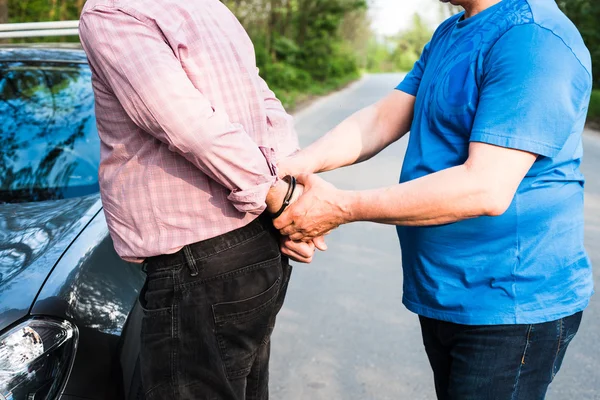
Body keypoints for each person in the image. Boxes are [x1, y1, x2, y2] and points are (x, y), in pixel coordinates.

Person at [274, 0, 594, 398]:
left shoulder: (533, 38)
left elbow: (485, 187)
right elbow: (380, 118)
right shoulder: (451, 32)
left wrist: (340, 207)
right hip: (446, 292)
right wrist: (291, 168)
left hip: (509, 301)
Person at [79, 1, 322, 398]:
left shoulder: (113, 10)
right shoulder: (209, 7)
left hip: (202, 261)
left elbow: (189, 126)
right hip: (255, 243)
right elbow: (267, 106)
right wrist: (286, 189)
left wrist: (278, 196)